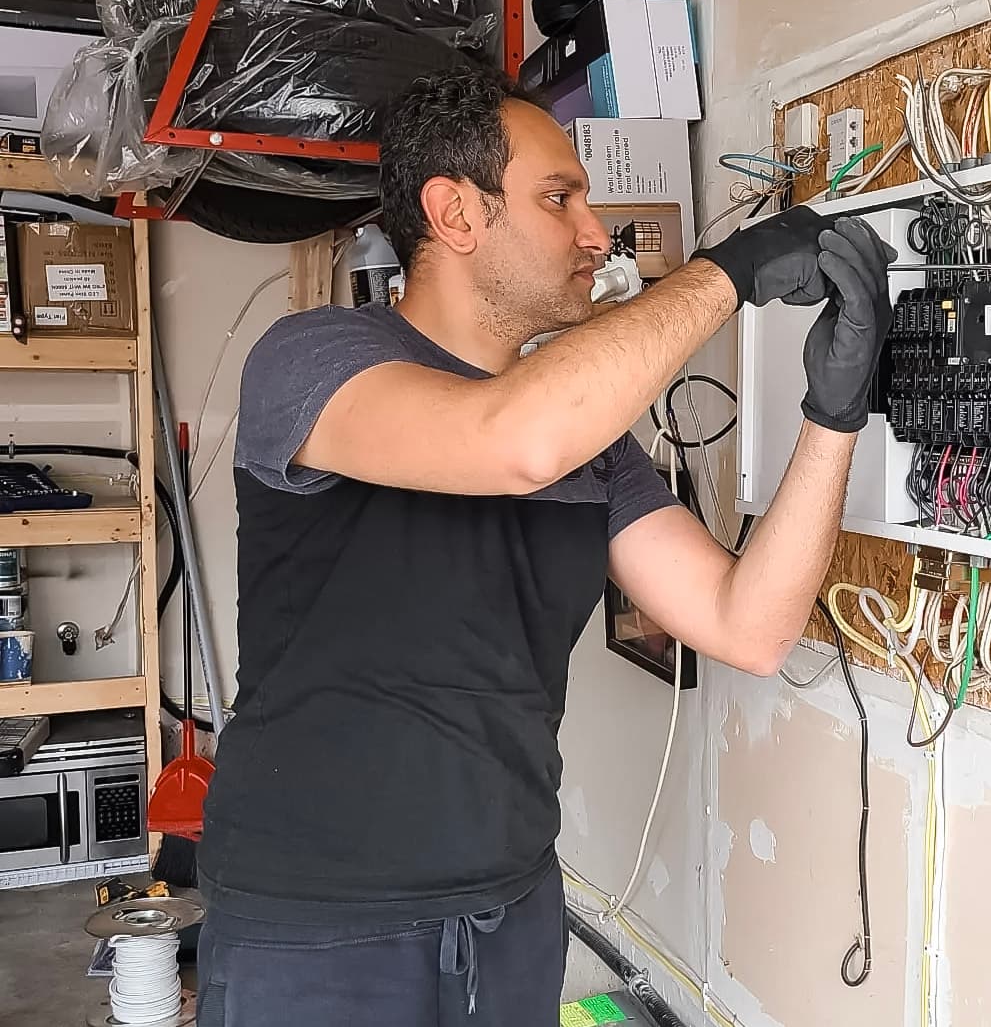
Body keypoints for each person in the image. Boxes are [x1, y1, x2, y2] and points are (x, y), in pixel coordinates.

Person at [193, 65, 894, 1026]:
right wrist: (726, 274)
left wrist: (835, 415)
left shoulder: (592, 449)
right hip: (321, 930)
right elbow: (511, 439)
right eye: (559, 198)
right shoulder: (315, 361)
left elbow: (751, 626)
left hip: (511, 915)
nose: (595, 231)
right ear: (455, 214)